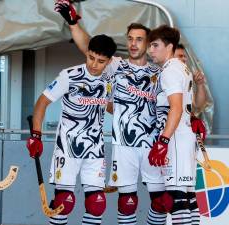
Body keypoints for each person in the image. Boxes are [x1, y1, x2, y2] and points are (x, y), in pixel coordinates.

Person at [55, 1, 167, 225]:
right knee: (128, 202)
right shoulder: (117, 65)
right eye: (130, 39)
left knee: (161, 201)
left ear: (148, 43)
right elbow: (89, 46)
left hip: (153, 145)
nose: (134, 44)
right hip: (124, 145)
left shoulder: (160, 71)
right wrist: (73, 23)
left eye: (139, 39)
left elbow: (175, 102)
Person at [26, 34, 116, 225]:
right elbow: (42, 103)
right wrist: (36, 135)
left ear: (108, 61)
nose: (94, 64)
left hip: (95, 150)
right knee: (64, 203)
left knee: (97, 204)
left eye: (101, 61)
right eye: (91, 57)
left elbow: (108, 106)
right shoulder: (69, 75)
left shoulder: (109, 80)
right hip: (67, 148)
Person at [148, 25, 197, 225]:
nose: (151, 50)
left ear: (169, 46)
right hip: (184, 136)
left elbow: (175, 108)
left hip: (175, 139)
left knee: (176, 200)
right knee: (188, 200)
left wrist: (163, 141)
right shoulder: (182, 67)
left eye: (155, 45)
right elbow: (185, 107)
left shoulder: (170, 70)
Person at [175, 43, 208, 225]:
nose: (184, 60)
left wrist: (200, 85)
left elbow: (198, 106)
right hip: (169, 142)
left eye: (184, 57)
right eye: (180, 56)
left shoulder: (187, 79)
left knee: (188, 194)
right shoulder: (165, 77)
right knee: (171, 198)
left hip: (185, 141)